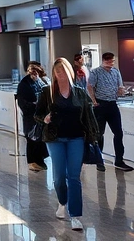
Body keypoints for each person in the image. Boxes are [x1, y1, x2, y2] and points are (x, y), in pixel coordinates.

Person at [34, 57, 99, 232]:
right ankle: (62, 201)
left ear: (69, 72)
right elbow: (37, 114)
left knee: (74, 177)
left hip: (76, 138)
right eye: (56, 72)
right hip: (55, 138)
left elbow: (88, 117)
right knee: (58, 177)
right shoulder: (47, 92)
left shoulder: (79, 92)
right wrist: (45, 118)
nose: (59, 75)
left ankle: (76, 215)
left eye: (62, 71)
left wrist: (93, 137)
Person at [87, 52, 133, 172]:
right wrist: (93, 101)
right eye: (108, 61)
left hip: (112, 103)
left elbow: (120, 87)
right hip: (100, 104)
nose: (110, 63)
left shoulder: (115, 72)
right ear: (103, 60)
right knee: (99, 134)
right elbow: (90, 86)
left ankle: (119, 160)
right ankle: (98, 160)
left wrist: (121, 91)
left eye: (112, 61)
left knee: (118, 133)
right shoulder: (95, 72)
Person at [16, 61, 49, 172]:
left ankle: (39, 161)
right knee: (32, 139)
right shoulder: (24, 84)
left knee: (39, 139)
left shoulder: (41, 81)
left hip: (40, 116)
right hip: (31, 117)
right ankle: (33, 162)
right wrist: (33, 105)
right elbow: (22, 103)